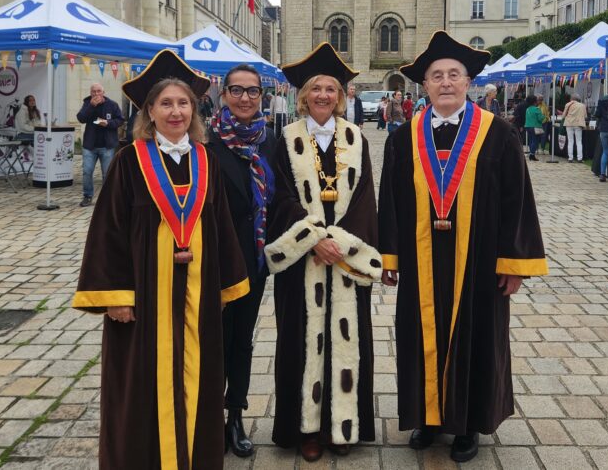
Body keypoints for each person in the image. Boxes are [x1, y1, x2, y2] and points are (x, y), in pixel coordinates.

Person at [72, 50, 249, 470]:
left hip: (197, 296)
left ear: (195, 108)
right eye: (166, 103)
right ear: (149, 110)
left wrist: (224, 287)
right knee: (142, 386)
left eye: (183, 102)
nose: (175, 111)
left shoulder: (206, 160)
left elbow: (221, 225)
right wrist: (117, 296)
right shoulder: (129, 161)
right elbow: (108, 232)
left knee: (198, 381)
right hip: (144, 300)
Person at [378, 31, 547, 463]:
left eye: (454, 74)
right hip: (420, 262)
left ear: (468, 81)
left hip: (480, 262)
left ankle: (468, 425)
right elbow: (391, 202)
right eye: (437, 76)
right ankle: (427, 418)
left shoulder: (499, 134)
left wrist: (514, 264)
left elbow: (517, 200)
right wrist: (390, 258)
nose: (446, 82)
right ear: (425, 85)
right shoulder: (403, 138)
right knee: (420, 338)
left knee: (478, 338)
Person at [264, 43, 382, 462]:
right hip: (303, 261)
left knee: (347, 342)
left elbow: (366, 198)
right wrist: (315, 240)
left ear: (341, 97)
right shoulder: (285, 139)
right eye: (316, 88)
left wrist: (341, 246)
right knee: (301, 341)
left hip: (344, 258)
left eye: (331, 89)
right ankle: (306, 429)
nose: (323, 96)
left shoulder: (356, 139)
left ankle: (343, 427)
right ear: (303, 96)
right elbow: (277, 198)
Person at [206, 64, 278, 458]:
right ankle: (209, 415)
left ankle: (236, 414)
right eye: (237, 90)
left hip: (255, 258)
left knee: (243, 341)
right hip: (218, 258)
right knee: (216, 337)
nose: (246, 98)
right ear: (224, 94)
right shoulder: (208, 143)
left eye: (253, 91)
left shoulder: (270, 141)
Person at [76, 83, 125, 207]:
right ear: (91, 92)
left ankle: (107, 198)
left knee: (107, 173)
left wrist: (108, 123)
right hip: (90, 145)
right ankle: (87, 196)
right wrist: (91, 106)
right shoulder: (87, 103)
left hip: (107, 145)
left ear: (103, 92)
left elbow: (120, 120)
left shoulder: (112, 105)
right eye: (94, 91)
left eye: (99, 91)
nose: (96, 94)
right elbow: (81, 118)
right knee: (87, 171)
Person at [562, 93, 587, 162]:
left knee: (570, 141)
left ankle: (570, 158)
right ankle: (580, 158)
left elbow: (563, 115)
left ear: (571, 98)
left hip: (569, 123)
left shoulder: (568, 104)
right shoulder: (582, 105)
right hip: (578, 124)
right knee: (579, 141)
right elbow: (585, 116)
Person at [524, 95, 545, 161]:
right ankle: (532, 154)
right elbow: (540, 118)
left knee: (531, 140)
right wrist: (544, 116)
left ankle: (532, 154)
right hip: (535, 126)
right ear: (534, 101)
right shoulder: (537, 109)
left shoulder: (528, 109)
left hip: (528, 126)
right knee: (535, 141)